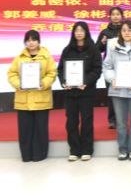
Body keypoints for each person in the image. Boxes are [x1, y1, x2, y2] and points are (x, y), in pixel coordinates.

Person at [102, 20, 131, 160]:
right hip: (118, 90)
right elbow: (107, 66)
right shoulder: (113, 47)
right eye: (124, 30)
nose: (127, 33)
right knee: (121, 123)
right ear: (120, 32)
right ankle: (122, 149)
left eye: (130, 30)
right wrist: (112, 79)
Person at [8, 29, 57, 162]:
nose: (31, 43)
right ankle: (26, 155)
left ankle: (39, 155)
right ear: (25, 42)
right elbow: (12, 74)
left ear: (39, 41)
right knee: (25, 130)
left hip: (41, 99)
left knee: (40, 129)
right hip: (23, 100)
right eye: (28, 40)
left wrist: (44, 83)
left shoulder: (46, 56)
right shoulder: (19, 57)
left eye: (34, 40)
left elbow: (52, 73)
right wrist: (19, 84)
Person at [57, 21, 102, 160]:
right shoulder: (67, 50)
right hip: (70, 92)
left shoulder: (93, 49)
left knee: (87, 121)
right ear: (73, 32)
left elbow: (97, 70)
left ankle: (87, 150)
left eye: (82, 30)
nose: (79, 33)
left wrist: (86, 81)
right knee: (71, 122)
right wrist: (64, 82)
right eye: (77, 30)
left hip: (86, 91)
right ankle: (74, 150)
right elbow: (60, 69)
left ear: (86, 32)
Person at [96, 7, 124, 127]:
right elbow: (97, 50)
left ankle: (122, 119)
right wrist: (102, 43)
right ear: (110, 16)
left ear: (122, 16)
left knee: (123, 93)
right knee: (112, 93)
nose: (115, 16)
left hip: (124, 66)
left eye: (118, 14)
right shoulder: (105, 32)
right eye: (113, 14)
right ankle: (112, 119)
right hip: (110, 67)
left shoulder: (127, 30)